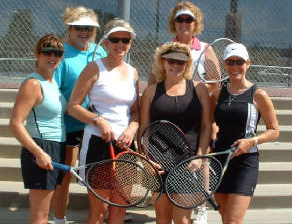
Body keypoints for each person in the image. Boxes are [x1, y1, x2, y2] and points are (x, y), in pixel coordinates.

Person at [67, 18, 139, 224]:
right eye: (115, 39)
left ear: (130, 44)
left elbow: (135, 112)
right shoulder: (94, 68)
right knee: (99, 211)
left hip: (125, 146)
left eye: (125, 40)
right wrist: (98, 120)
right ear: (106, 42)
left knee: (120, 209)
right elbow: (73, 106)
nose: (120, 44)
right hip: (98, 145)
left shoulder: (133, 72)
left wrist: (132, 128)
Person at [138, 42, 212, 224]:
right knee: (162, 218)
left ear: (187, 65)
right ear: (162, 62)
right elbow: (143, 130)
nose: (176, 66)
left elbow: (206, 126)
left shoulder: (199, 89)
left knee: (183, 220)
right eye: (171, 61)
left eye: (181, 62)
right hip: (158, 164)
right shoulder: (150, 91)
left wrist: (200, 156)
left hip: (187, 164)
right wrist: (146, 158)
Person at [210, 43, 279, 224]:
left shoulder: (258, 95)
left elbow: (274, 130)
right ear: (224, 64)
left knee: (233, 220)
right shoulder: (218, 94)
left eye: (239, 62)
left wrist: (251, 141)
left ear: (248, 63)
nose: (234, 67)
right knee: (225, 217)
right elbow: (209, 123)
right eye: (230, 62)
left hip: (245, 162)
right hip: (220, 160)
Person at [52, 6, 107, 224]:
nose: (84, 32)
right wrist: (80, 112)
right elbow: (54, 91)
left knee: (99, 175)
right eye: (79, 28)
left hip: (99, 127)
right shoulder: (61, 54)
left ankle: (103, 214)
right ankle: (59, 218)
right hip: (70, 127)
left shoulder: (101, 52)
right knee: (67, 174)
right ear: (69, 28)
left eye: (89, 29)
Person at [8, 34, 66, 224]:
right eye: (47, 52)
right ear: (37, 54)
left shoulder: (52, 82)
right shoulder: (33, 84)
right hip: (42, 147)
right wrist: (39, 153)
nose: (52, 57)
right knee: (40, 215)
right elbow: (15, 124)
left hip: (56, 146)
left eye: (57, 53)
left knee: (45, 213)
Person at [149, 1, 219, 96]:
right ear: (174, 23)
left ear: (195, 23)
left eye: (189, 20)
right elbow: (153, 82)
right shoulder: (164, 48)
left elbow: (215, 83)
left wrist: (191, 93)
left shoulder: (206, 49)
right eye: (179, 19)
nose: (184, 23)